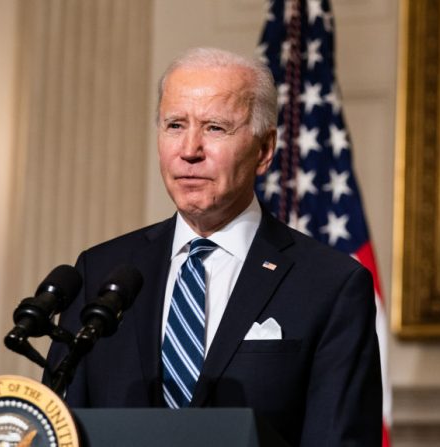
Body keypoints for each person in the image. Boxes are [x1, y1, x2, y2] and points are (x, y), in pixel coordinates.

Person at [45, 47, 382, 446]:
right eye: (174, 125)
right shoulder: (98, 273)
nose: (189, 150)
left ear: (264, 150)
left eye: (214, 128)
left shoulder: (331, 285)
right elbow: (59, 427)